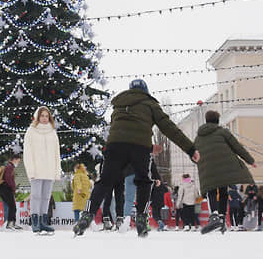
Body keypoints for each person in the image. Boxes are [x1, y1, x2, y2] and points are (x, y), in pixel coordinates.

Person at [73, 79, 200, 237]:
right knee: (144, 181)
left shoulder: (118, 105)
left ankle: (86, 215)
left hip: (115, 145)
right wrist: (190, 148)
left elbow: (121, 130)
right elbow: (169, 128)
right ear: (145, 90)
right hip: (139, 147)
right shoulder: (150, 104)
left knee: (105, 181)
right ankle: (141, 219)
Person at [194, 110, 256, 234]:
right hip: (224, 169)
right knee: (222, 191)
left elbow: (194, 154)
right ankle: (221, 217)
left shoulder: (198, 137)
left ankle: (215, 216)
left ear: (206, 120)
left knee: (211, 190)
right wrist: (250, 160)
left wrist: (201, 165)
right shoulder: (223, 132)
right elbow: (237, 147)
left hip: (208, 169)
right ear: (217, 120)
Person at [23, 106, 61, 235]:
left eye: (46, 116)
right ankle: (35, 222)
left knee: (46, 197)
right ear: (37, 117)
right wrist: (31, 171)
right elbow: (27, 153)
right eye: (42, 116)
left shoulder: (53, 132)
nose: (44, 118)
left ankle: (44, 222)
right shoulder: (31, 131)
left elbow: (57, 154)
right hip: (37, 170)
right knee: (36, 196)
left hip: (49, 170)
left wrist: (57, 171)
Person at [0, 154, 22, 231]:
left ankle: (12, 223)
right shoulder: (9, 167)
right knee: (12, 207)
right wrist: (13, 188)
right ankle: (9, 224)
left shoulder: (8, 167)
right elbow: (9, 179)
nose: (18, 163)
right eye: (18, 161)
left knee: (11, 206)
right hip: (5, 188)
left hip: (3, 188)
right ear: (14, 159)